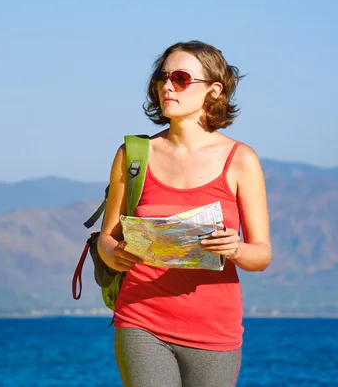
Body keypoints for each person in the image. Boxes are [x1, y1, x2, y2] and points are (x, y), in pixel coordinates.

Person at [97, 40, 272, 387]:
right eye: (162, 77)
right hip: (141, 319)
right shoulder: (133, 154)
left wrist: (233, 248)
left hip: (214, 330)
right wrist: (114, 254)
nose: (166, 87)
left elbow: (262, 254)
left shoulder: (241, 160)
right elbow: (106, 238)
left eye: (180, 78)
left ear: (213, 90)